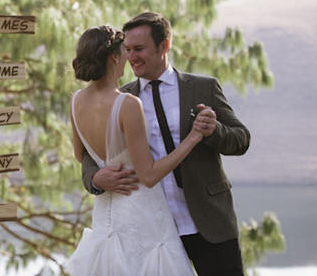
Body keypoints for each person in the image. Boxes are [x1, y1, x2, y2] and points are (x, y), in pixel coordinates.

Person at [81, 12, 250, 276]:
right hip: (152, 228)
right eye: (127, 49)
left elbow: (241, 139)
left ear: (165, 45)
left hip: (210, 222)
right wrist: (95, 180)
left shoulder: (204, 88)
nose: (131, 56)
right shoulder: (120, 98)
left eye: (139, 48)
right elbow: (91, 156)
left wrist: (213, 130)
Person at [65, 25, 212, 275]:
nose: (128, 58)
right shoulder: (127, 103)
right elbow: (149, 175)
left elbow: (82, 156)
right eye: (125, 51)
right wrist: (193, 137)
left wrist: (103, 173)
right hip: (142, 211)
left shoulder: (76, 100)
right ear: (114, 57)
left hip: (106, 213)